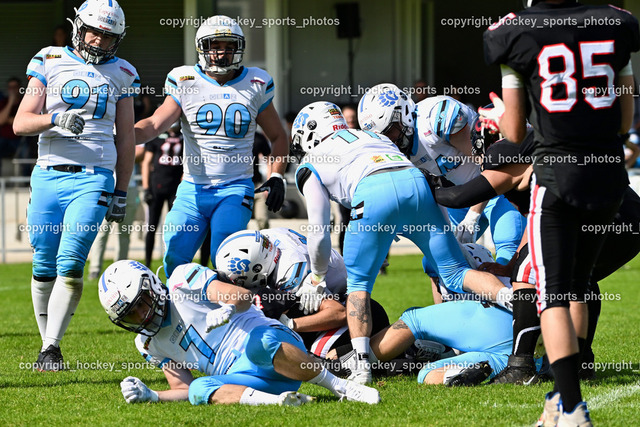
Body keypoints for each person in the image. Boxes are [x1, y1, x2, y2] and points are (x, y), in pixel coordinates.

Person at [481, 1, 639, 424]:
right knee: (579, 284)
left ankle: (570, 406)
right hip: (608, 178)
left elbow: (515, 133)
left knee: (553, 294)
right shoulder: (614, 23)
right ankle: (559, 397)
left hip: (557, 178)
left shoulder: (515, 33)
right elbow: (625, 120)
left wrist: (501, 117)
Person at [291, 101, 514, 385]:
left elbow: (320, 229)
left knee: (358, 286)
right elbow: (415, 174)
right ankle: (511, 301)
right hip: (415, 185)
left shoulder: (312, 160)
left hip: (372, 193)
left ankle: (361, 366)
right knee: (456, 272)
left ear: (307, 135)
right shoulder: (372, 136)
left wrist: (317, 276)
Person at [432, 124, 640, 384]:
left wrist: (425, 185)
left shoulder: (508, 151)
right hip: (625, 222)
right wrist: (511, 264)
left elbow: (460, 197)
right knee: (578, 280)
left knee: (526, 274)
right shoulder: (540, 149)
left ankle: (521, 365)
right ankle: (580, 364)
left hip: (601, 217)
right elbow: (536, 221)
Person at [12, 0, 137, 371]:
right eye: (94, 32)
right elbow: (21, 122)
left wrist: (121, 190)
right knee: (43, 261)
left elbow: (126, 139)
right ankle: (46, 344)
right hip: (48, 172)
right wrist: (54, 119)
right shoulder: (49, 59)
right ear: (78, 27)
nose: (99, 41)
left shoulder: (124, 72)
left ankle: (52, 347)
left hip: (94, 176)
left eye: (108, 36)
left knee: (70, 262)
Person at [98, 260, 379, 405]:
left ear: (152, 285)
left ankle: (341, 387)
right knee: (198, 389)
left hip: (272, 343)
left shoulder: (182, 280)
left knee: (259, 344)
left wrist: (229, 308)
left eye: (141, 304)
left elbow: (243, 296)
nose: (142, 316)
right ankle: (280, 403)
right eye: (130, 315)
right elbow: (182, 388)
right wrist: (152, 395)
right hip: (247, 380)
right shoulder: (146, 343)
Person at [134, 15, 289, 277]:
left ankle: (225, 305)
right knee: (175, 257)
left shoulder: (256, 83)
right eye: (215, 46)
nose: (222, 53)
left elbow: (278, 136)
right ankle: (180, 304)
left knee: (226, 259)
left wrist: (276, 175)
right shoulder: (185, 80)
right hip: (192, 187)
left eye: (229, 47)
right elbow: (154, 124)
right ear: (202, 48)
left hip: (235, 187)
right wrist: (123, 134)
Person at [358, 83, 526, 265]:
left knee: (508, 250)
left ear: (404, 113)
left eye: (390, 131)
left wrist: (472, 216)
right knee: (437, 262)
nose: (390, 141)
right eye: (382, 137)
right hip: (462, 194)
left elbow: (488, 166)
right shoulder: (394, 146)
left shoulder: (434, 119)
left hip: (499, 187)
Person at [215, 228, 390, 357]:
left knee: (318, 353)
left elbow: (338, 312)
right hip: (324, 268)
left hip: (338, 287)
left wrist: (290, 324)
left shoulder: (291, 276)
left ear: (258, 268)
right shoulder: (267, 238)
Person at [89, 144, 145, 279]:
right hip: (106, 187)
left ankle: (120, 268)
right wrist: (124, 151)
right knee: (102, 232)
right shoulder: (105, 133)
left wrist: (120, 152)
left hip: (129, 188)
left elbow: (140, 153)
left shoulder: (132, 133)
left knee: (124, 232)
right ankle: (95, 269)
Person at [141, 121, 183, 267]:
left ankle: (173, 262)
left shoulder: (184, 137)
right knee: (151, 227)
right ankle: (147, 263)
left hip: (175, 188)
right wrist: (146, 188)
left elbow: (188, 164)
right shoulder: (157, 137)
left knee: (174, 228)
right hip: (156, 187)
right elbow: (146, 162)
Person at [0, 77, 23, 175]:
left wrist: (8, 119)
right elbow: (1, 120)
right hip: (3, 139)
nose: (12, 90)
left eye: (15, 87)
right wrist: (10, 102)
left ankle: (26, 181)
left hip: (20, 139)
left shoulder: (24, 102)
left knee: (25, 153)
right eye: (10, 87)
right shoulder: (3, 102)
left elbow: (24, 121)